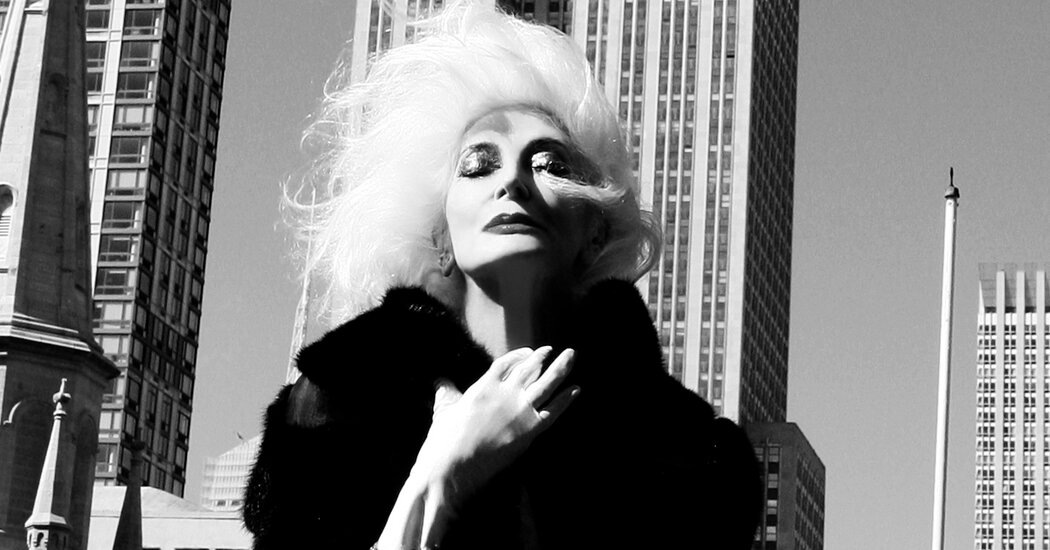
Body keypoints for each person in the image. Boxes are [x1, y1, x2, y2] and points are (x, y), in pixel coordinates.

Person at [242, 2, 762, 549]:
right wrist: (438, 478)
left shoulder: (689, 457)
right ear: (441, 236)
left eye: (550, 165)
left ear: (595, 232)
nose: (512, 181)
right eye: (478, 166)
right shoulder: (339, 406)